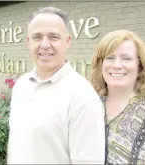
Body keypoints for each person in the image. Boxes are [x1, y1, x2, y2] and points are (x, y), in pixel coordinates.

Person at [7, 7, 105, 164]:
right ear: (28, 42)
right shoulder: (21, 85)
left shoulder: (82, 97)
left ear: (67, 42)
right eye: (37, 37)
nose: (45, 45)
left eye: (53, 37)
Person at [90, 29, 145, 164]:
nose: (117, 65)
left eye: (126, 58)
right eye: (110, 58)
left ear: (140, 66)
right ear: (101, 65)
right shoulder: (90, 105)